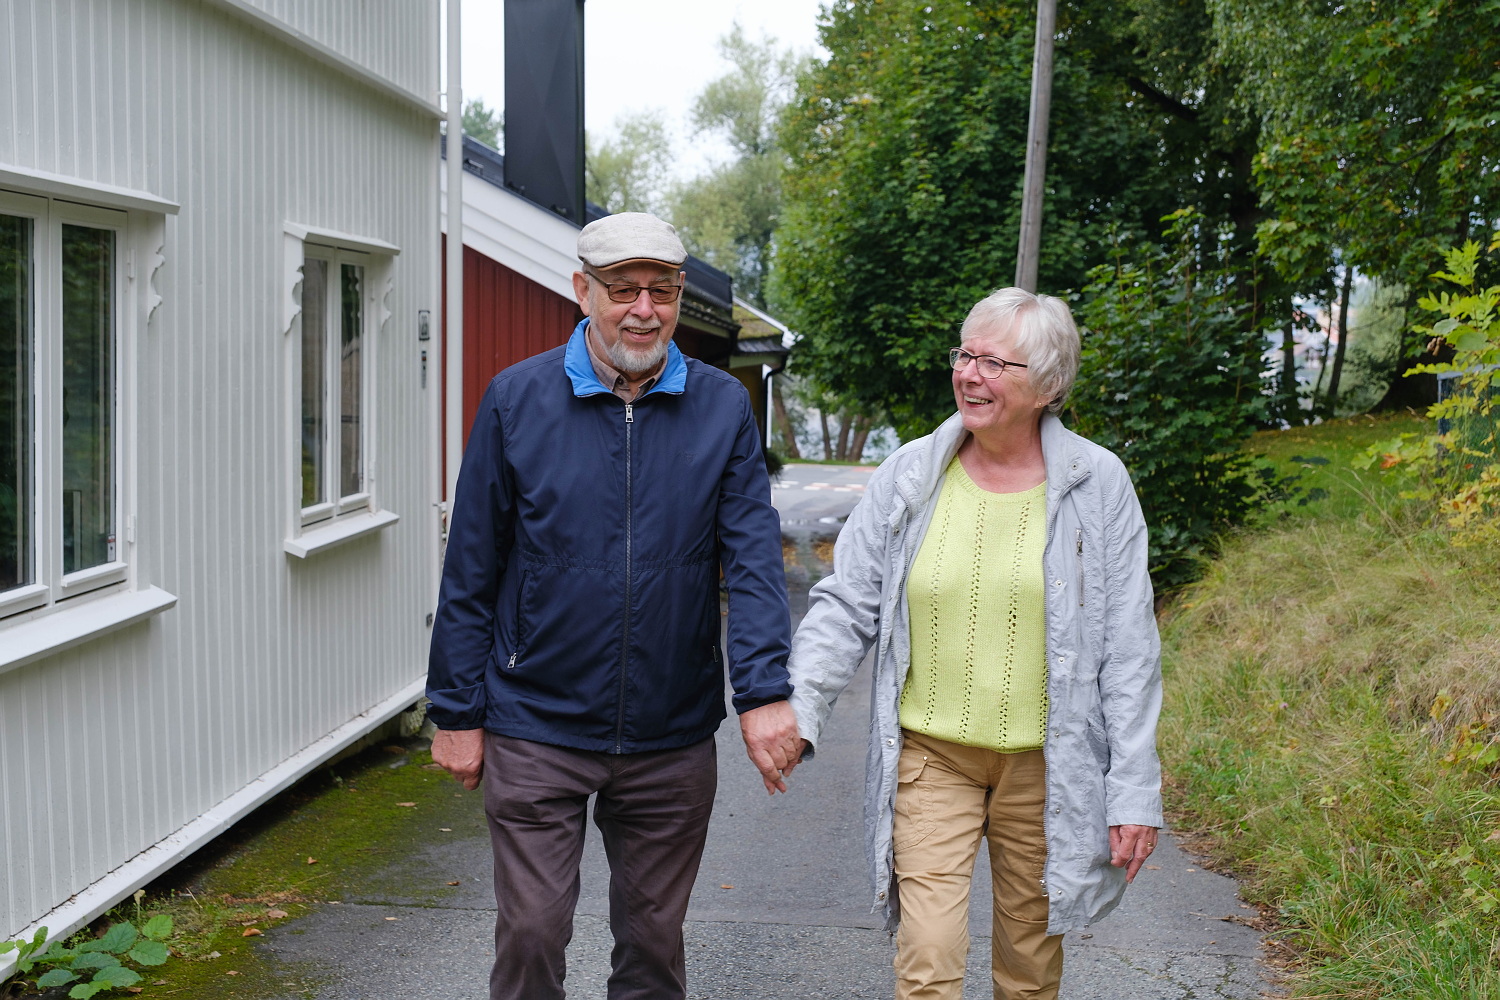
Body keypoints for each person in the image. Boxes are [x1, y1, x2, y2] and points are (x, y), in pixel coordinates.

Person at [425, 212, 804, 1000]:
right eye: (623, 289)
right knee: (531, 934)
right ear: (582, 290)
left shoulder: (720, 409)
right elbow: (470, 568)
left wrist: (764, 693)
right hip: (537, 719)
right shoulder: (515, 400)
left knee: (653, 945)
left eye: (660, 291)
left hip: (670, 731)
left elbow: (754, 562)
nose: (643, 309)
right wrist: (456, 711)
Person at [786, 287, 1163, 999]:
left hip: (1049, 767)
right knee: (927, 956)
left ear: (1047, 385)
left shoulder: (1097, 483)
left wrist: (1134, 789)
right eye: (966, 354)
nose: (970, 374)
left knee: (1028, 972)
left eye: (995, 363)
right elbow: (847, 603)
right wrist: (801, 707)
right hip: (932, 758)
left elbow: (1129, 646)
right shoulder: (909, 476)